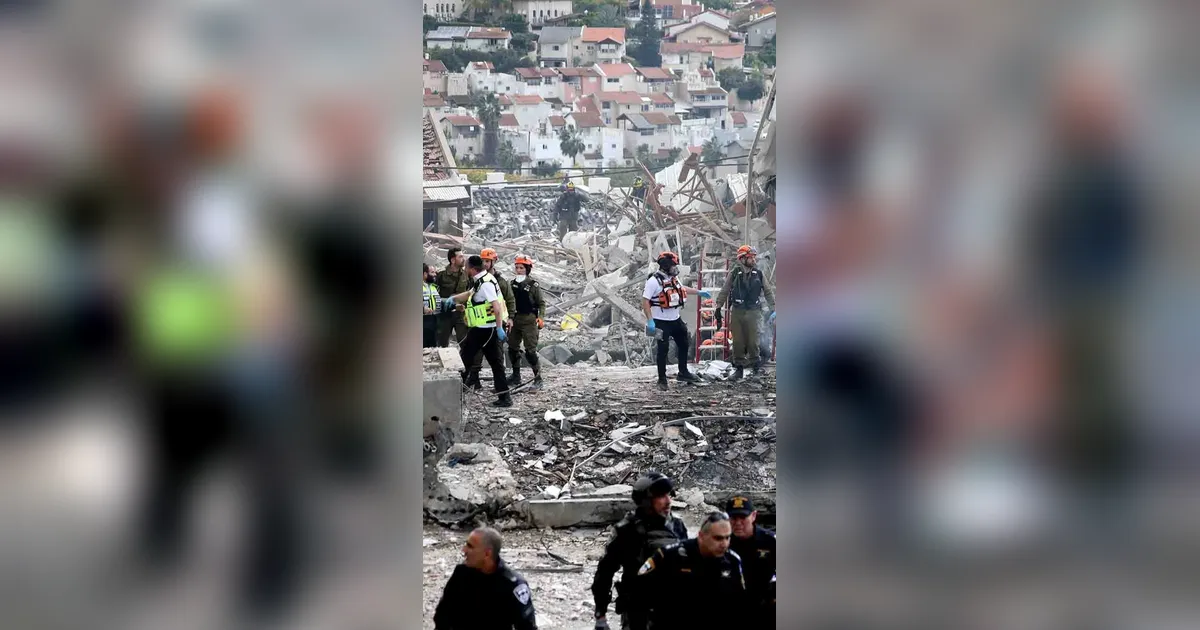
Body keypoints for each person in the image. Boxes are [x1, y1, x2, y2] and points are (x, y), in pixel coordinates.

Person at [591, 472, 688, 630]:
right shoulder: (627, 530)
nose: (668, 501)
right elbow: (605, 571)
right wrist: (600, 615)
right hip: (638, 612)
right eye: (661, 496)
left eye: (669, 495)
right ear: (645, 501)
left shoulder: (677, 525)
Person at [636, 512, 747, 629]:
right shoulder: (670, 556)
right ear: (701, 536)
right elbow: (638, 592)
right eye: (718, 538)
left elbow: (739, 604)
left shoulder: (732, 561)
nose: (724, 544)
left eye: (727, 537)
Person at [434, 527, 538, 630]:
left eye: (470, 546)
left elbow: (527, 627)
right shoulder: (462, 573)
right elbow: (442, 615)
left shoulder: (513, 585)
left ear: (487, 553)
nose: (464, 550)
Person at [444, 255, 512, 407]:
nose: (465, 269)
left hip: (486, 330)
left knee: (466, 359)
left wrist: (499, 328)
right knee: (492, 362)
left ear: (473, 269)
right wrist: (453, 299)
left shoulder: (486, 283)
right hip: (483, 329)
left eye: (467, 267)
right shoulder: (481, 279)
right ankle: (504, 397)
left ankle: (454, 394)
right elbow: (469, 294)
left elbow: (496, 307)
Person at [642, 251, 707, 390]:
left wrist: (698, 292)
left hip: (675, 319)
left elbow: (682, 289)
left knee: (684, 343)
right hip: (661, 321)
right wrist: (650, 320)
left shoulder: (673, 279)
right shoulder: (653, 281)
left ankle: (683, 372)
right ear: (666, 266)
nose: (675, 268)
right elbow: (645, 301)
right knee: (663, 349)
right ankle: (662, 379)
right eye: (673, 266)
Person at [714, 245, 776, 380]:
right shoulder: (734, 274)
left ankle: (756, 368)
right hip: (738, 311)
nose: (753, 260)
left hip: (753, 312)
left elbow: (768, 291)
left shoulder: (759, 274)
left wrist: (774, 308)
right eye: (750, 257)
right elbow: (725, 290)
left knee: (753, 341)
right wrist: (718, 307)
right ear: (742, 259)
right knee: (738, 342)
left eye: (754, 257)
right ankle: (739, 369)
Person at [467, 248, 516, 389]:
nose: (485, 263)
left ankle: (500, 388)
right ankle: (474, 379)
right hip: (480, 323)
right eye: (483, 261)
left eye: (488, 261)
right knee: (475, 355)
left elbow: (508, 300)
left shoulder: (498, 281)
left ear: (493, 262)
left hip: (494, 324)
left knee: (496, 357)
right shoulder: (476, 280)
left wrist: (509, 319)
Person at [725, 496, 776, 625]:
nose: (738, 523)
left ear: (753, 516)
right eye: (733, 518)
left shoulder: (770, 541)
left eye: (743, 517)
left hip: (764, 606)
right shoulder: (722, 541)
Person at [508, 254, 545, 388]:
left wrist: (541, 317)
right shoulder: (511, 284)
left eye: (521, 268)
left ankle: (538, 378)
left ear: (527, 269)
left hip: (529, 320)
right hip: (514, 320)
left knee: (530, 351)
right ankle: (516, 376)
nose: (518, 270)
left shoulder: (533, 285)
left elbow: (541, 303)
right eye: (517, 268)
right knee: (512, 348)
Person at [436, 247, 470, 347]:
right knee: (442, 344)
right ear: (453, 260)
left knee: (465, 343)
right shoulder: (441, 275)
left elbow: (470, 291)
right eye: (460, 257)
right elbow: (435, 295)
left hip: (461, 314)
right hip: (445, 315)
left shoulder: (466, 274)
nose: (463, 259)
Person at [423, 263, 440, 348]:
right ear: (425, 274)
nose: (435, 274)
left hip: (433, 321)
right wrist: (423, 309)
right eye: (432, 272)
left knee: (432, 348)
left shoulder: (434, 287)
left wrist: (454, 305)